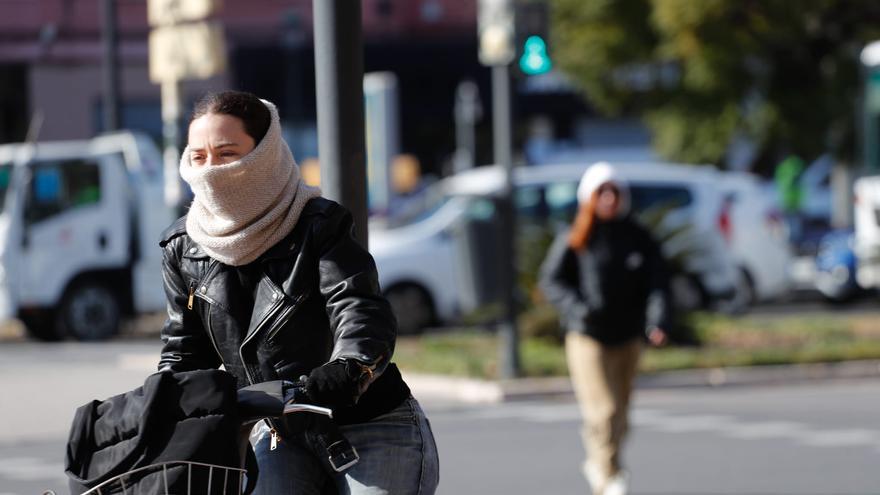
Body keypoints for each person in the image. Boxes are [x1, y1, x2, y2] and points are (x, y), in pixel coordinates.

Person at [156, 90, 439, 494]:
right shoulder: (182, 247)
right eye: (198, 158)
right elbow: (183, 352)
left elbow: (356, 305)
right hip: (277, 433)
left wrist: (349, 367)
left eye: (226, 153)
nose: (210, 170)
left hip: (370, 422)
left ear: (264, 154)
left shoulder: (319, 225)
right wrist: (161, 404)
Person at [539, 162, 671, 495]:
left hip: (627, 336)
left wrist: (658, 321)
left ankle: (601, 466)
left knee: (621, 416)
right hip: (588, 337)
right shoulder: (576, 237)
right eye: (602, 192)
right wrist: (578, 309)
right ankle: (609, 477)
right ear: (590, 197)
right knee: (603, 410)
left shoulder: (638, 237)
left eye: (614, 191)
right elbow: (551, 280)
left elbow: (657, 283)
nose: (609, 198)